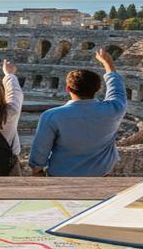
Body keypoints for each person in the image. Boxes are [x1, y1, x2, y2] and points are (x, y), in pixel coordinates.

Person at [28, 48, 127, 177]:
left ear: (68, 88)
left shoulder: (52, 116)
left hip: (61, 176)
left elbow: (41, 149)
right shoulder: (114, 109)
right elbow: (116, 89)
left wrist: (37, 170)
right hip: (101, 174)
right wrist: (108, 64)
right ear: (98, 89)